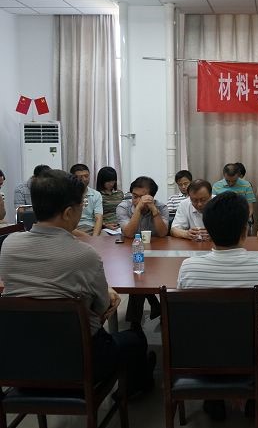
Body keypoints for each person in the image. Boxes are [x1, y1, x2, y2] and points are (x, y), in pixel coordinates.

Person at [0, 169, 155, 397]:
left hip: (23, 359)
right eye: (82, 204)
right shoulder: (84, 255)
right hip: (80, 361)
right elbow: (103, 308)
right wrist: (108, 294)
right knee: (135, 339)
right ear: (68, 212)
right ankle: (134, 389)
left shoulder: (9, 245)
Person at [178, 191, 258, 420]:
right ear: (245, 230)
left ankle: (214, 397)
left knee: (206, 324)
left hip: (201, 349)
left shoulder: (188, 268)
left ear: (209, 230)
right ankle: (252, 395)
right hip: (246, 349)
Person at [116, 176, 169, 327]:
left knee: (140, 279)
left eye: (142, 197)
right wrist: (138, 209)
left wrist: (154, 210)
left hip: (156, 254)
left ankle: (135, 325)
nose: (137, 200)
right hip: (129, 253)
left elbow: (163, 233)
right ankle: (154, 308)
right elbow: (128, 233)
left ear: (152, 197)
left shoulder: (161, 207)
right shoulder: (123, 207)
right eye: (134, 196)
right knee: (138, 277)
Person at [70, 163, 103, 237]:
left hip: (91, 228)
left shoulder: (96, 194)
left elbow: (98, 218)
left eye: (86, 176)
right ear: (73, 178)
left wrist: (94, 237)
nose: (84, 179)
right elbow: (64, 223)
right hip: (73, 229)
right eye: (80, 177)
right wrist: (87, 237)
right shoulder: (66, 194)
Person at [96, 166, 124, 231]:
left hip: (121, 225)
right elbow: (94, 216)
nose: (111, 184)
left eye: (113, 181)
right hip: (106, 227)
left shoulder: (119, 193)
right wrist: (105, 225)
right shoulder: (97, 195)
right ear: (102, 181)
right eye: (108, 181)